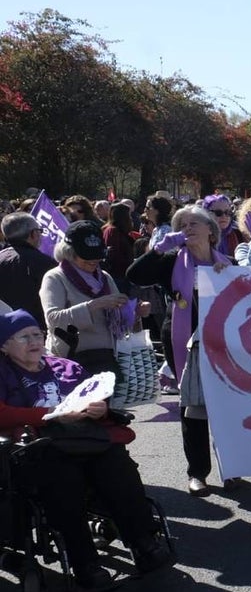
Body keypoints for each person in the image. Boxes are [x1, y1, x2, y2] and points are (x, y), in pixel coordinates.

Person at [0, 309, 173, 587]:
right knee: (63, 480)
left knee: (117, 466)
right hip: (38, 448)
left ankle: (143, 543)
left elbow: (98, 402)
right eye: (23, 337)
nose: (33, 340)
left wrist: (100, 409)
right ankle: (84, 562)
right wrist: (49, 413)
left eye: (37, 334)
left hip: (84, 438)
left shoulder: (67, 367)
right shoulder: (3, 373)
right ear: (4, 346)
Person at [126, 206, 232, 497]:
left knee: (227, 405)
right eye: (182, 224)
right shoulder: (172, 261)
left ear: (211, 230)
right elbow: (135, 275)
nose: (188, 227)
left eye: (194, 222)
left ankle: (232, 465)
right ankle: (197, 473)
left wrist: (231, 275)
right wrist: (159, 249)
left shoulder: (227, 262)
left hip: (224, 341)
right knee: (193, 406)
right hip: (183, 340)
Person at [40, 221, 140, 378]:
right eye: (86, 258)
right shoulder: (55, 277)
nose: (94, 262)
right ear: (68, 252)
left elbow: (121, 320)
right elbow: (53, 319)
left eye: (98, 257)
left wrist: (134, 311)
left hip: (107, 359)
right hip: (72, 362)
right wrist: (94, 305)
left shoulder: (104, 277)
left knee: (106, 403)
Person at [0, 213, 56, 328]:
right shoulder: (44, 262)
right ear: (33, 233)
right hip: (36, 329)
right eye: (39, 231)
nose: (40, 235)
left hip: (5, 330)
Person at [101, 202, 138, 293]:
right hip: (118, 276)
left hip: (119, 275)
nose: (131, 218)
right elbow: (114, 254)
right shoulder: (113, 231)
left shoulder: (111, 230)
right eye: (128, 215)